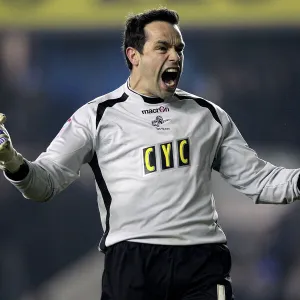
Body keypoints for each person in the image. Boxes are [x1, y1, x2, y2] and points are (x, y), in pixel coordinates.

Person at [1, 7, 300, 300]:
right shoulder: (95, 117)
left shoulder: (207, 115)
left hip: (200, 263)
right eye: (162, 48)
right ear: (134, 56)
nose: (174, 57)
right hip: (132, 265)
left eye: (178, 49)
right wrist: (12, 160)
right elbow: (44, 183)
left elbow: (260, 180)